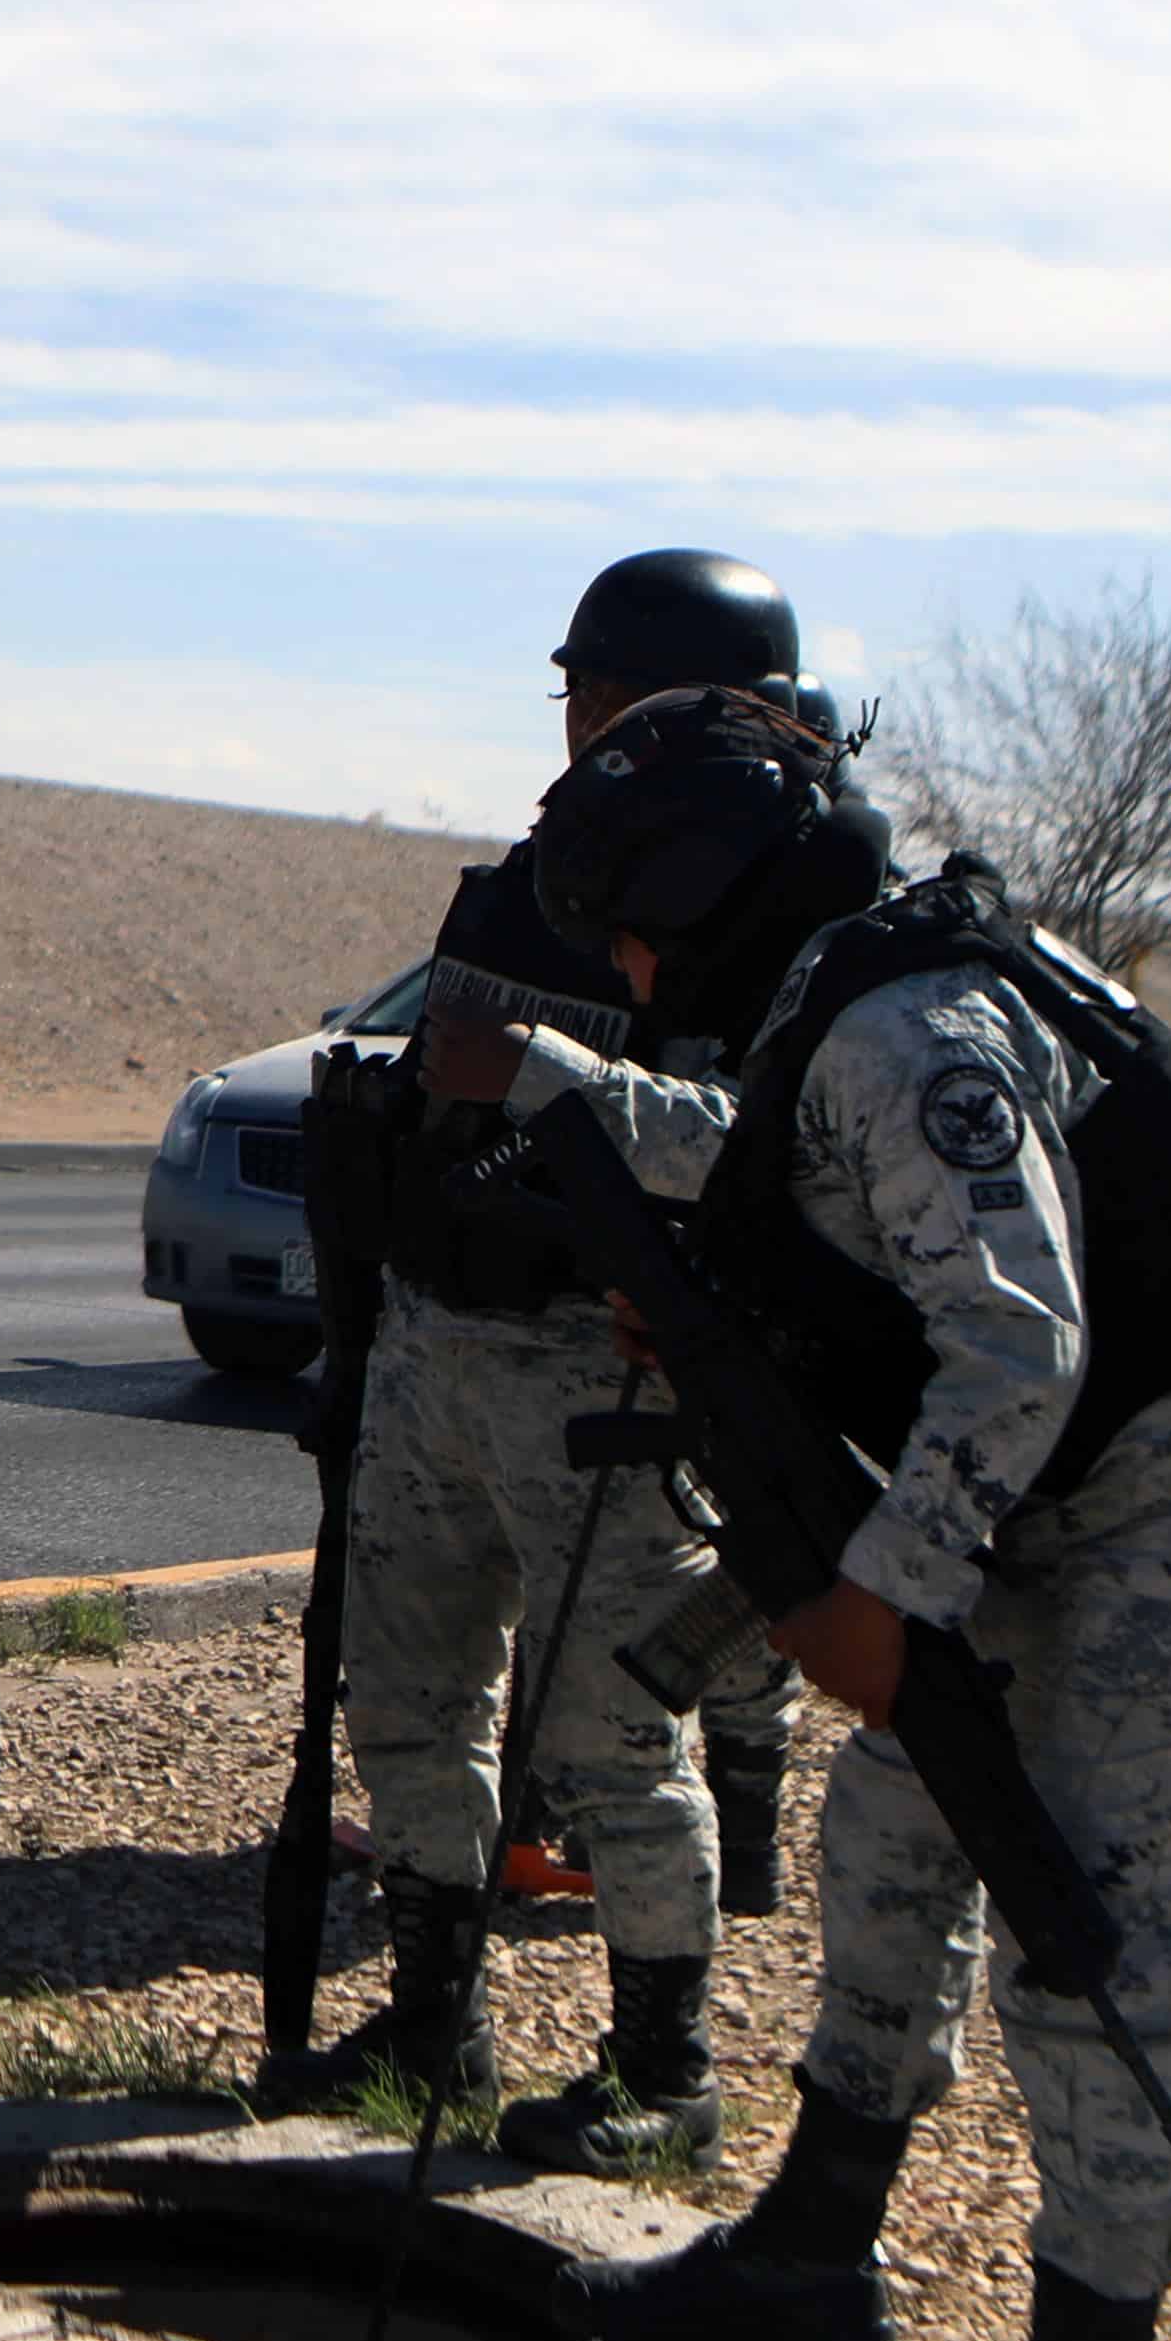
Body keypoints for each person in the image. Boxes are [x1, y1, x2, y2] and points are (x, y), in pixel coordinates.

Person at [480, 687, 1171, 2341]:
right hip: (1082, 1484)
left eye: (637, 927)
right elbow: (822, 1212)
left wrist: (878, 1594)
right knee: (893, 1828)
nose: (636, 967)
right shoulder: (848, 990)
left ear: (708, 888)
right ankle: (817, 2257)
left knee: (1075, 1925)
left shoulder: (906, 1022)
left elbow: (1018, 1335)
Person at [279, 550, 806, 2167]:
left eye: (605, 695)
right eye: (576, 697)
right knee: (411, 1702)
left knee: (610, 1743)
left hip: (603, 1368)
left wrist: (538, 1077)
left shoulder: (776, 900)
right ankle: (436, 2012)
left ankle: (661, 2067)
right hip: (434, 1340)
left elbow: (752, 1157)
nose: (579, 725)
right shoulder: (537, 868)